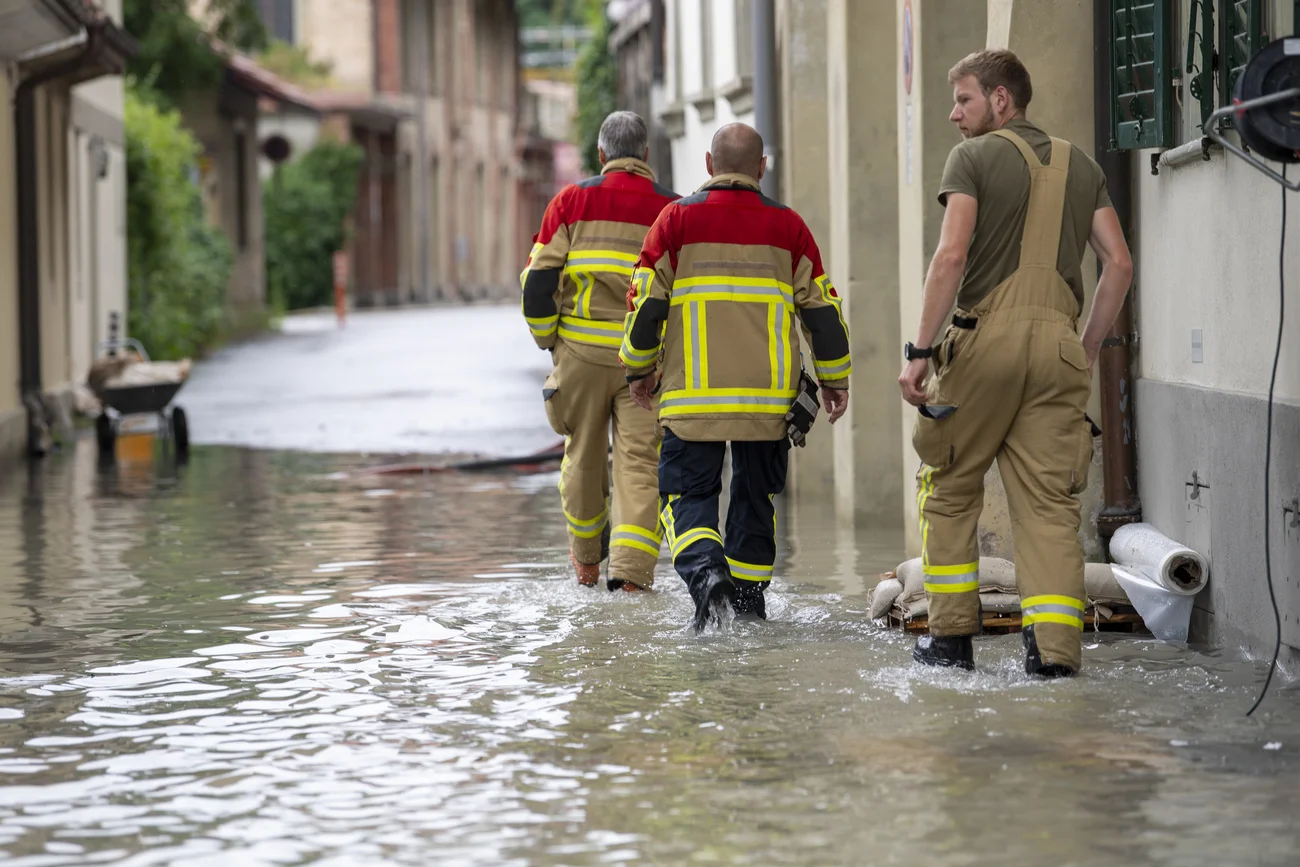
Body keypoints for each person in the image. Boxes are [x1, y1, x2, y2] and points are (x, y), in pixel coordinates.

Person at [898, 49, 1133, 676]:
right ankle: (1054, 656)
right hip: (1059, 350)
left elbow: (951, 257)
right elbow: (1119, 264)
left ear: (1001, 101)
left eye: (965, 100)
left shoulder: (972, 158)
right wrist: (1083, 345)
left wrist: (920, 352)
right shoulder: (1082, 165)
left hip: (983, 347)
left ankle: (950, 640)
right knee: (1050, 507)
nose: (954, 115)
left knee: (949, 489)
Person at [620, 122, 852, 631]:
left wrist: (638, 369)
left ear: (708, 164)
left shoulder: (674, 222)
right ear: (762, 168)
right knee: (754, 499)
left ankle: (707, 577)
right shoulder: (789, 227)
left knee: (685, 495)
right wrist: (835, 379)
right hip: (767, 406)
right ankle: (749, 606)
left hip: (692, 401)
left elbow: (644, 305)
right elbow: (823, 313)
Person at [519, 111, 681, 591]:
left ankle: (588, 564)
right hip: (644, 362)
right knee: (638, 462)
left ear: (601, 154)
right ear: (646, 155)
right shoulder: (672, 209)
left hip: (582, 352)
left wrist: (550, 338)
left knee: (584, 456)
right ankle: (631, 577)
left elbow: (537, 283)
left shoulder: (571, 202)